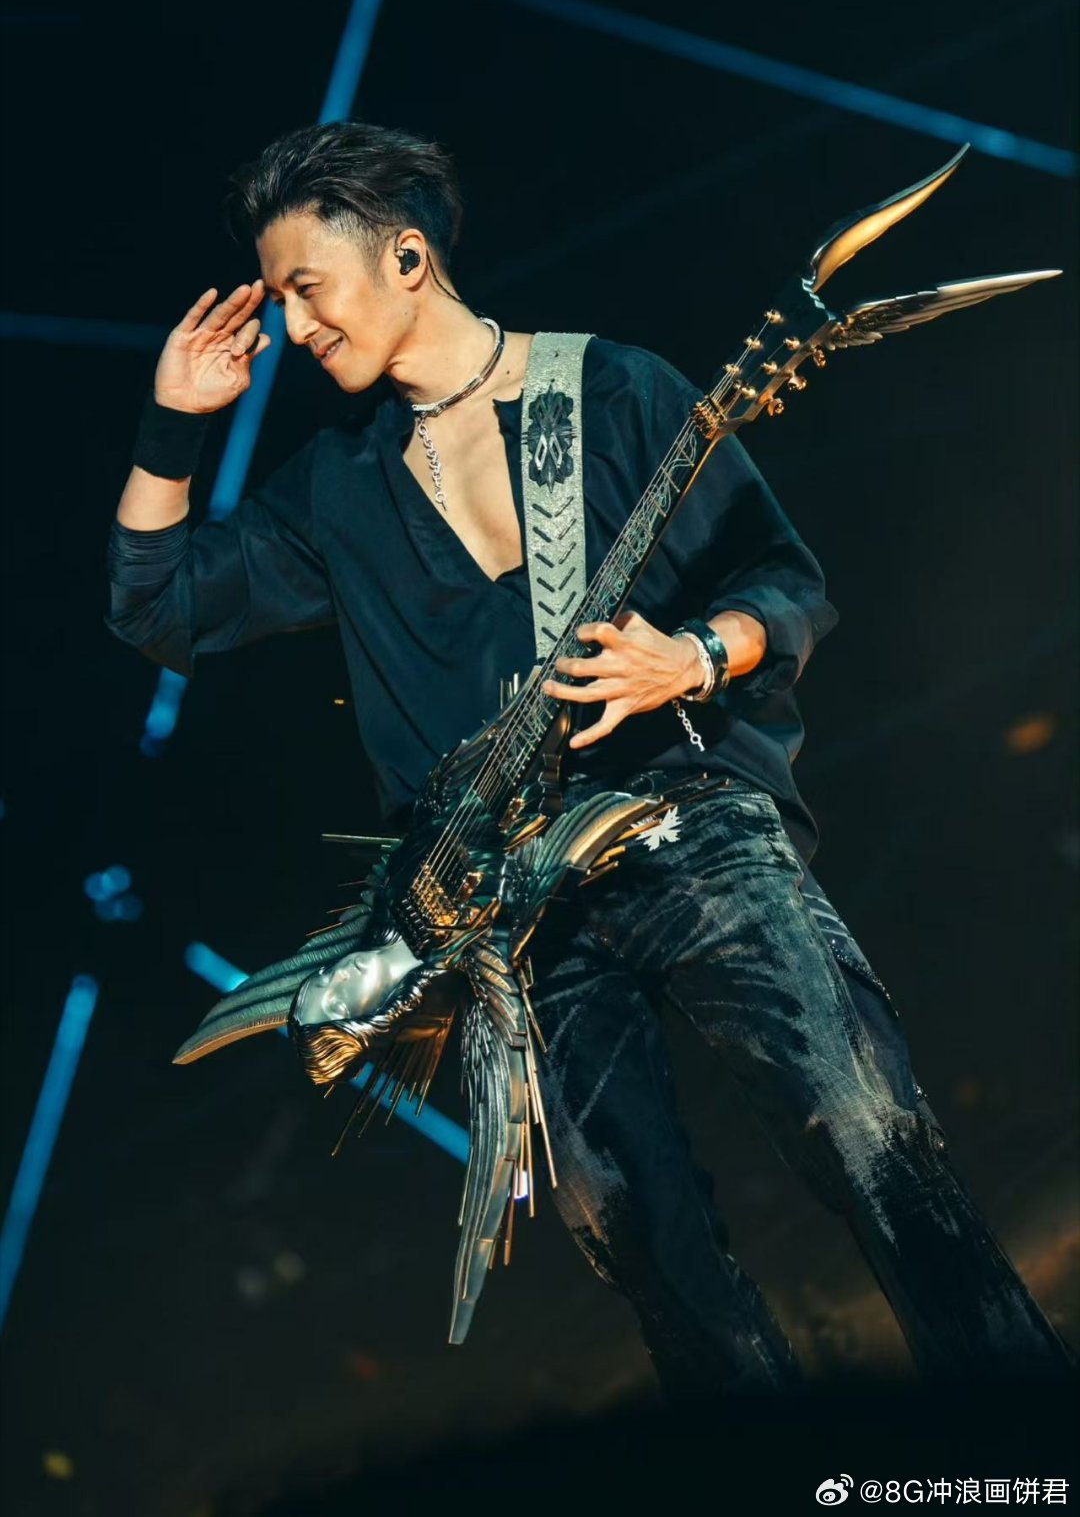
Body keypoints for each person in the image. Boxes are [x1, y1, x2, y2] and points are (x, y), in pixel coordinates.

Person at [105, 120, 1075, 1399]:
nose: (290, 324)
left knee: (861, 1128)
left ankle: (1019, 1440)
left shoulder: (613, 388)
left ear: (407, 259)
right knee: (636, 1234)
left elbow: (784, 582)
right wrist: (173, 425)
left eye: (305, 286)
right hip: (508, 919)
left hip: (682, 822)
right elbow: (156, 604)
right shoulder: (332, 489)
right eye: (276, 296)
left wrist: (695, 656)